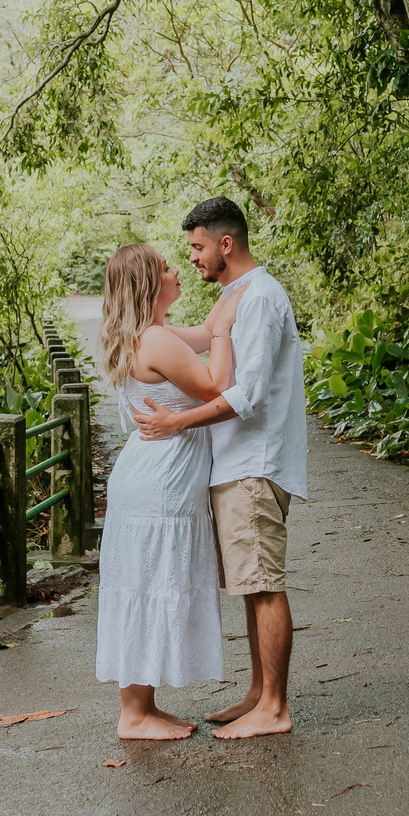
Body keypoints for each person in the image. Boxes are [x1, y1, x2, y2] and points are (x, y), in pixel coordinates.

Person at [133, 197, 307, 739]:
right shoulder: (236, 294)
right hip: (236, 463)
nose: (193, 258)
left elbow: (245, 394)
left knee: (264, 584)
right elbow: (195, 340)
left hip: (253, 462)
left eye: (198, 247)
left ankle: (274, 708)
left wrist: (176, 425)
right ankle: (258, 694)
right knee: (251, 586)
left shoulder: (257, 298)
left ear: (225, 244)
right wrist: (138, 319)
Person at [96, 243, 248, 740]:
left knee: (145, 586)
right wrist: (225, 328)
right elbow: (216, 383)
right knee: (147, 587)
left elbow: (203, 334)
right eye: (165, 266)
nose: (176, 268)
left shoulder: (150, 334)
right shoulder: (156, 341)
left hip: (152, 480)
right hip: (157, 485)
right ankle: (134, 715)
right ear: (147, 283)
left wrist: (233, 293)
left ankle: (143, 707)